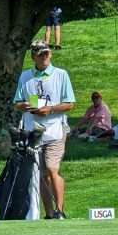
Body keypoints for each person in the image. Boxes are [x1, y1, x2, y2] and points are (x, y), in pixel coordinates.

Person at [13, 41, 76, 219]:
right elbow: (17, 102)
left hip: (55, 129)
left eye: (47, 53)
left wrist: (50, 109)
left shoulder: (61, 75)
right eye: (41, 54)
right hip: (33, 131)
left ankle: (60, 210)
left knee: (51, 169)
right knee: (40, 174)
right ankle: (49, 213)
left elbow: (70, 103)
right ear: (33, 57)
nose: (45, 56)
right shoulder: (25, 76)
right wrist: (24, 106)